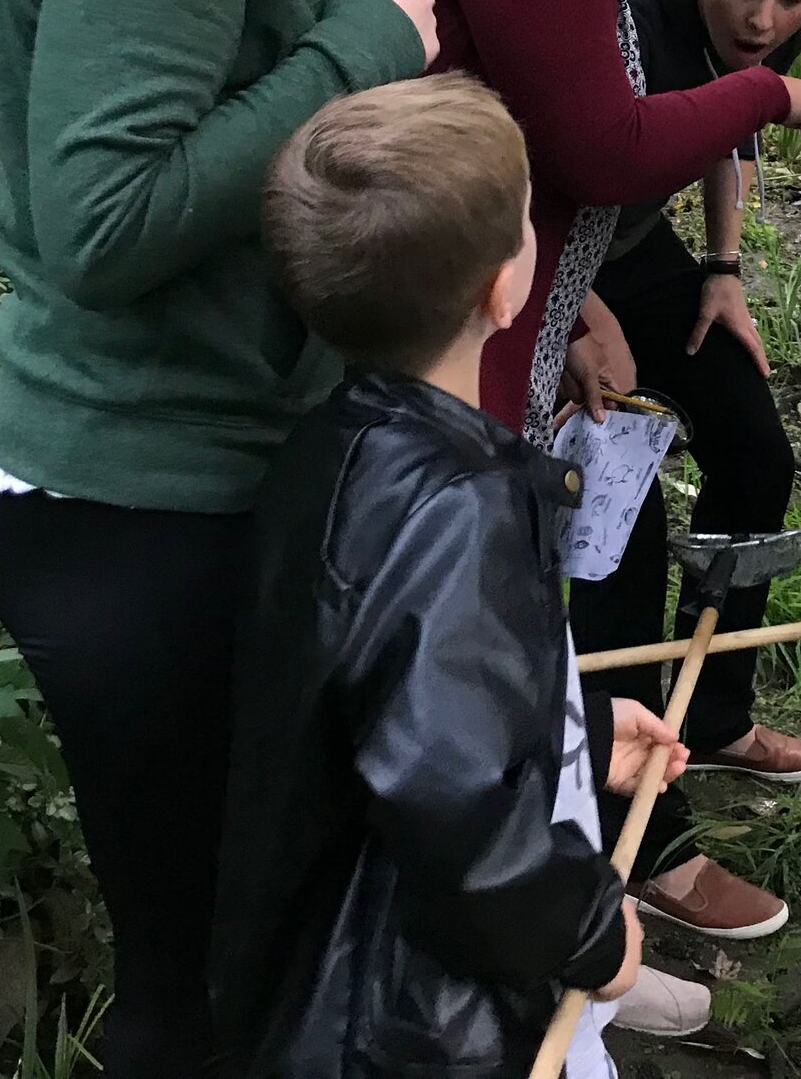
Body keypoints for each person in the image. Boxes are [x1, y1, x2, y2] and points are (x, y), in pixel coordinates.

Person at [0, 0, 491, 1079]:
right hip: (128, 507)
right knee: (194, 988)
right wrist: (354, 39)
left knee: (253, 933)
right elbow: (108, 220)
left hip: (201, 477)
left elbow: (202, 33)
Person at [403, 0, 801, 943]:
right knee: (556, 575)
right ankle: (592, 889)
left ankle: (608, 860)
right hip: (457, 333)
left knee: (622, 528)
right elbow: (598, 143)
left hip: (529, 300)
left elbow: (543, 140)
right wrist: (772, 90)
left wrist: (631, 277)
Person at [212, 76, 691, 1079]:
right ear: (501, 290)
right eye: (528, 223)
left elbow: (388, 707)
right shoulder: (457, 509)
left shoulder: (327, 451)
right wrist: (592, 932)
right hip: (411, 1029)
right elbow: (457, 814)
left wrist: (576, 734)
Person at [572, 0, 801, 937]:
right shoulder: (624, 6)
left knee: (753, 449)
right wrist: (574, 311)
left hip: (635, 248)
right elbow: (529, 150)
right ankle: (641, 836)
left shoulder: (775, 21)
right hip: (547, 254)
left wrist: (723, 268)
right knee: (619, 521)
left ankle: (717, 710)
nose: (765, 20)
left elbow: (733, 123)